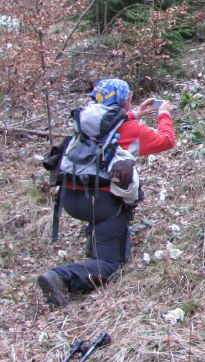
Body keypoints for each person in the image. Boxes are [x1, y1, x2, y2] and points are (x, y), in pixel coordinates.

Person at [37, 78, 175, 307]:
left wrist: (136, 113)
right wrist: (164, 114)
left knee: (102, 218)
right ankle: (61, 276)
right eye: (129, 96)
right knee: (112, 264)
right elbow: (166, 140)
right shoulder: (129, 129)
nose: (131, 98)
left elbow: (112, 127)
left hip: (70, 197)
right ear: (122, 100)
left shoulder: (85, 119)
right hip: (100, 203)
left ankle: (95, 240)